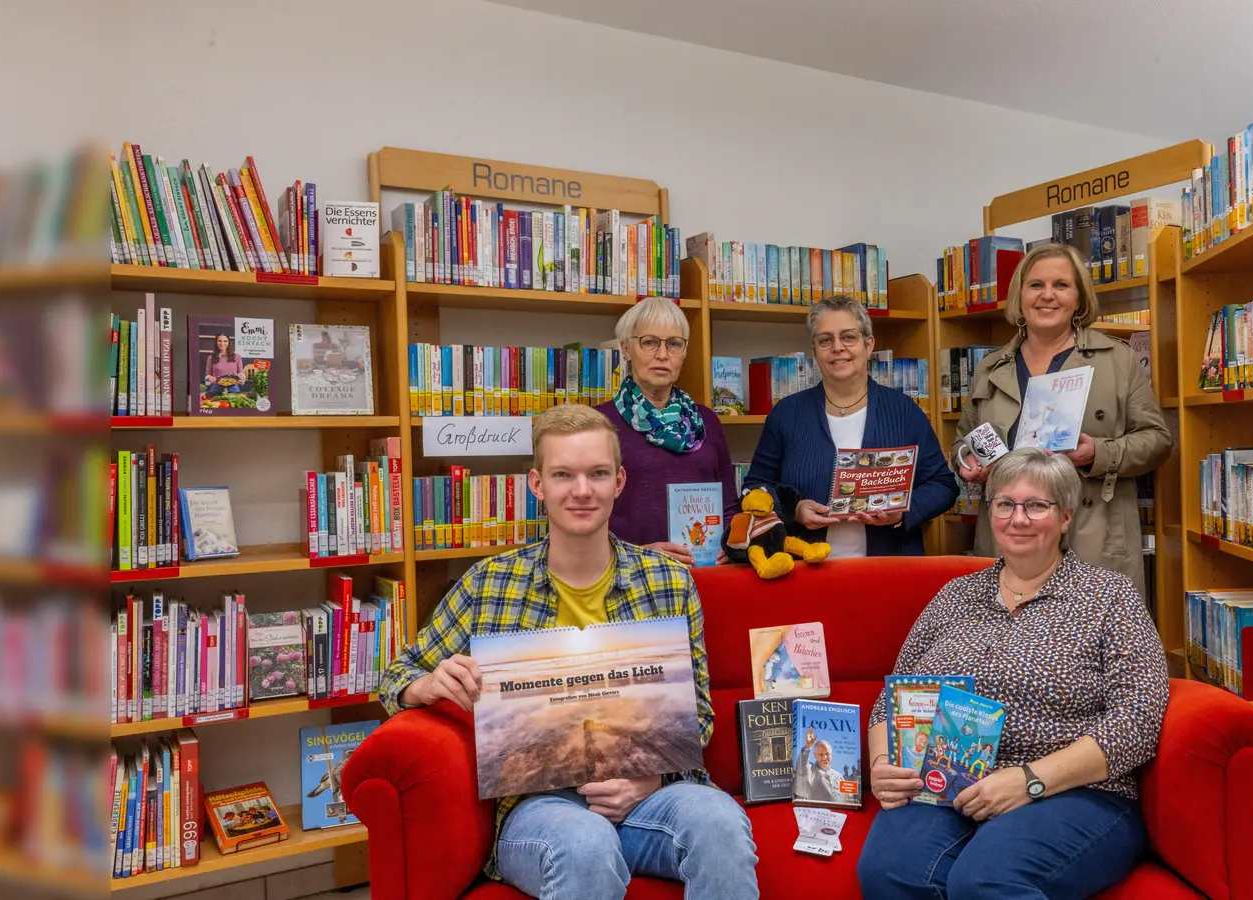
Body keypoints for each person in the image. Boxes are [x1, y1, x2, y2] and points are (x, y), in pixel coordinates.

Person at [379, 405, 758, 900]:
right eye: (564, 475)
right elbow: (392, 676)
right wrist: (425, 685)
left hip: (650, 797)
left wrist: (652, 777)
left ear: (619, 481)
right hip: (541, 809)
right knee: (585, 842)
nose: (582, 490)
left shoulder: (669, 582)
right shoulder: (490, 583)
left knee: (720, 821)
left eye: (597, 473)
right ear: (537, 485)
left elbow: (698, 713)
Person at [858, 449, 1169, 900]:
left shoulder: (1108, 597)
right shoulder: (956, 595)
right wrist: (882, 764)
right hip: (950, 783)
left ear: (1064, 517)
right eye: (1005, 504)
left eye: (1036, 505)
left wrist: (1029, 780)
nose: (1018, 518)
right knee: (889, 872)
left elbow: (1138, 719)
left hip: (1073, 790)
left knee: (984, 881)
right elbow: (894, 695)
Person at [953, 243, 1172, 590]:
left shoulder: (1117, 359)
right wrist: (970, 464)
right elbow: (963, 441)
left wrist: (1097, 453)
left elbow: (1157, 440)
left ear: (1080, 298)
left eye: (1061, 285)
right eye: (1036, 285)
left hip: (1092, 532)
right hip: (1012, 532)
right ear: (1020, 296)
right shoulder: (990, 367)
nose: (1047, 296)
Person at [746, 295, 958, 557]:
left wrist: (902, 512)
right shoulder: (786, 414)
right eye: (825, 340)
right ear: (814, 351)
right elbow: (756, 485)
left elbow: (943, 485)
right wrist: (793, 510)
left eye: (848, 336)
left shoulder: (904, 411)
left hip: (887, 571)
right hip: (804, 571)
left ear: (869, 344)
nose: (837, 347)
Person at [597, 296, 740, 565]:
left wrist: (731, 545)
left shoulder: (706, 420)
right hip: (631, 577)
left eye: (674, 344)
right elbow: (582, 517)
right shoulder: (598, 423)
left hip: (705, 574)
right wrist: (641, 554)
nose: (662, 355)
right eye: (649, 342)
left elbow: (729, 505)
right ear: (626, 349)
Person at [792, 729, 840, 804]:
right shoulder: (810, 769)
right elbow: (801, 765)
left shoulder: (839, 775)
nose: (824, 757)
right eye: (820, 754)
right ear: (815, 755)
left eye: (827, 754)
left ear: (831, 754)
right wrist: (808, 746)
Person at [202, 331, 250, 397]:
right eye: (219, 341)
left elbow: (240, 373)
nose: (222, 343)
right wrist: (209, 378)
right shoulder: (211, 358)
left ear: (228, 342)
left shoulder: (237, 357)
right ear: (216, 342)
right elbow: (207, 375)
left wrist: (242, 379)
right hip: (216, 389)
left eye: (225, 341)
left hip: (233, 389)